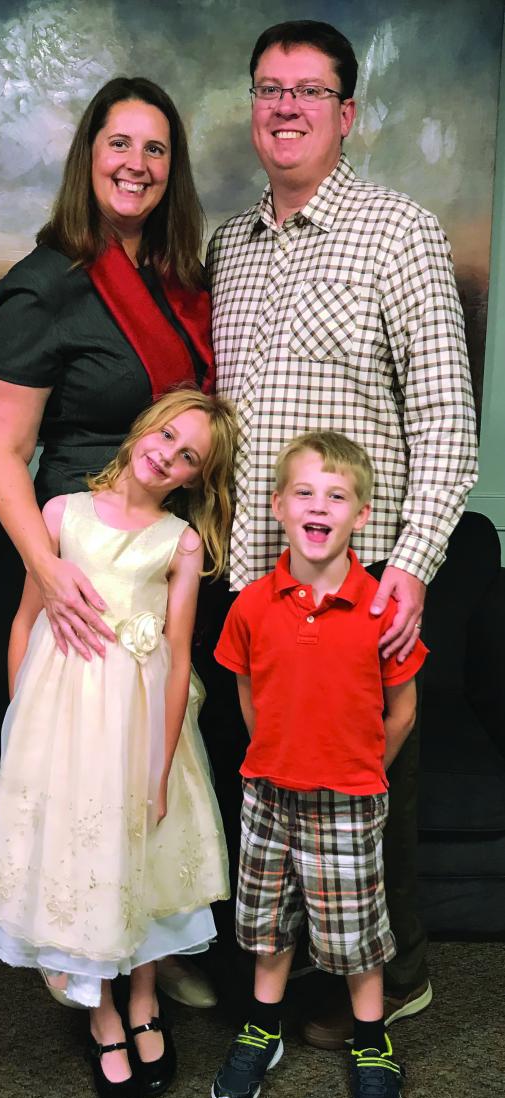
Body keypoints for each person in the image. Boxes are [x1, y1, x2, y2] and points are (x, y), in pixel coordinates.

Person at [204, 19, 478, 1043]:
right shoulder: (229, 243)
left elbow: (446, 415)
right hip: (255, 579)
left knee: (369, 794)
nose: (284, 106)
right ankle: (278, 981)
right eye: (269, 87)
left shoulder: (399, 229)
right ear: (252, 106)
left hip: (364, 579)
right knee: (272, 782)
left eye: (309, 91)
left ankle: (393, 977)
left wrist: (409, 569)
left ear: (346, 113)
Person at [0, 75, 217, 1009]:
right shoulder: (43, 286)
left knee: (160, 757)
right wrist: (47, 567)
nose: (137, 163)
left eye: (155, 149)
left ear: (172, 170)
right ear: (89, 156)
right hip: (80, 552)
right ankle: (81, 957)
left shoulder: (178, 281)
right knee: (82, 762)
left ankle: (145, 935)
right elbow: (2, 450)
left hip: (166, 548)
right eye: (120, 143)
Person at [0, 388, 236, 1098]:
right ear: (144, 427)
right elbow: (26, 623)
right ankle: (103, 1015)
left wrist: (158, 768)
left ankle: (145, 994)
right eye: (167, 436)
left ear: (194, 479)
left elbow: (179, 658)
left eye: (189, 457)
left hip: (141, 728)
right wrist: (21, 727)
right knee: (87, 862)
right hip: (65, 727)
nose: (168, 456)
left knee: (141, 858)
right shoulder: (60, 515)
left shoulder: (179, 542)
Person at [211, 431, 426, 1098]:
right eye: (303, 491)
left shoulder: (381, 609)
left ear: (360, 516)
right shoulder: (251, 605)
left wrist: (361, 766)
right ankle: (261, 1028)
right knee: (267, 924)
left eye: (335, 496)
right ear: (277, 506)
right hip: (268, 792)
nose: (317, 505)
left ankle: (371, 1043)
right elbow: (245, 692)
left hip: (349, 799)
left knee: (354, 934)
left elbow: (401, 709)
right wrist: (275, 750)